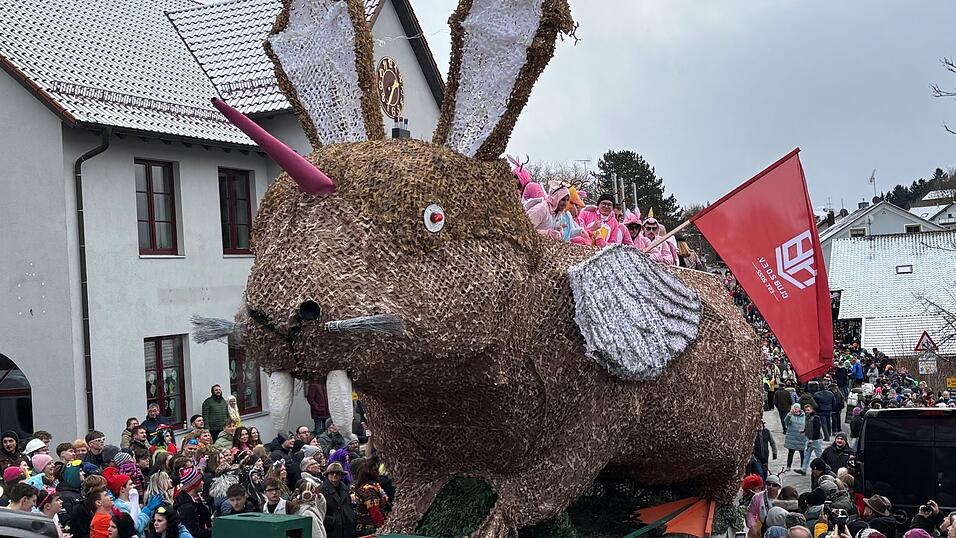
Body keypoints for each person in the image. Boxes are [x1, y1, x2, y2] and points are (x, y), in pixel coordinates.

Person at [353, 459, 390, 536]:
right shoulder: (368, 491)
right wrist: (384, 529)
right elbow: (375, 514)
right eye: (376, 471)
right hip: (370, 529)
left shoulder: (368, 486)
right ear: (369, 473)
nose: (378, 473)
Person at [173, 468, 210, 538]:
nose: (203, 482)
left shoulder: (195, 501)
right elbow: (193, 532)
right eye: (200, 480)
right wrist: (212, 533)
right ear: (194, 484)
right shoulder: (186, 507)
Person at [320, 462, 354, 538]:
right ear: (327, 475)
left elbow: (348, 506)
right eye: (332, 473)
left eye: (337, 473)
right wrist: (332, 521)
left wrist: (351, 517)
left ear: (341, 475)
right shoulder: (321, 490)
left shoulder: (345, 488)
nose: (334, 475)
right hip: (331, 530)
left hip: (346, 528)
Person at [796, 404, 824, 475]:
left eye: (808, 410)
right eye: (806, 410)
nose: (807, 411)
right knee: (807, 454)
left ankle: (824, 468)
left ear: (812, 409)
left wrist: (812, 439)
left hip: (816, 439)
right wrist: (804, 430)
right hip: (809, 438)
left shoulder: (816, 417)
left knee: (819, 455)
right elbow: (808, 426)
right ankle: (803, 469)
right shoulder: (808, 417)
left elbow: (816, 429)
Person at [783, 403, 807, 470]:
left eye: (797, 407)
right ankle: (788, 466)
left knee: (802, 453)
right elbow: (785, 421)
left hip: (801, 438)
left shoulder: (804, 416)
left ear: (800, 409)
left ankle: (803, 466)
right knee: (791, 452)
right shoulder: (790, 416)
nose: (796, 409)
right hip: (792, 438)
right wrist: (790, 414)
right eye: (794, 407)